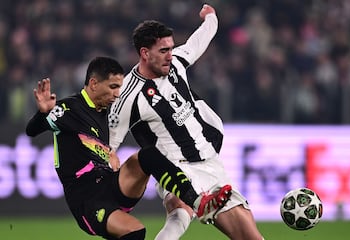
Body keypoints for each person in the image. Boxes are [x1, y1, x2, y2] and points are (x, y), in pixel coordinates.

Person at [26, 56, 232, 240]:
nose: (117, 94)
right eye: (113, 87)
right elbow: (32, 130)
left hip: (109, 183)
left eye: (120, 87)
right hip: (86, 198)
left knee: (148, 155)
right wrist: (43, 113)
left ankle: (198, 202)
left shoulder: (107, 111)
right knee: (135, 232)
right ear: (94, 83)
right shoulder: (68, 109)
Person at [109, 4, 265, 240]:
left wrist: (210, 17)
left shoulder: (175, 64)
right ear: (144, 53)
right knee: (180, 213)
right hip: (176, 166)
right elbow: (109, 144)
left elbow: (198, 41)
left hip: (210, 162)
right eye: (163, 50)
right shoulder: (128, 95)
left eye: (171, 48)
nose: (170, 55)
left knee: (250, 237)